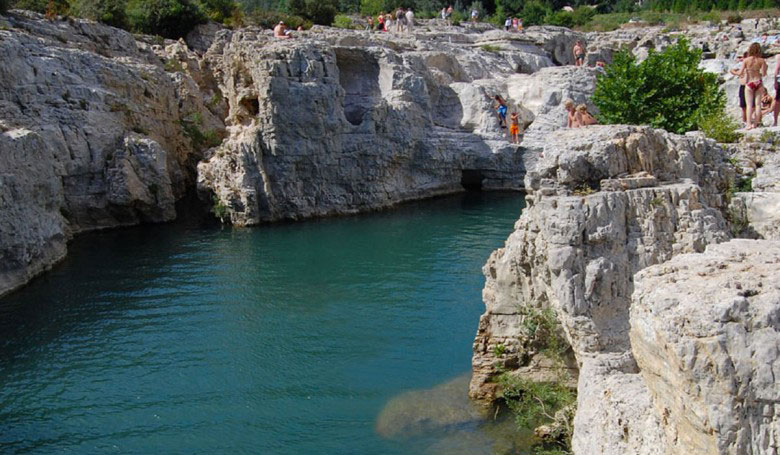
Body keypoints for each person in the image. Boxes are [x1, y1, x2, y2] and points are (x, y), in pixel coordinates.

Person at [739, 42, 768, 129]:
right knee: (758, 104)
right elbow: (764, 74)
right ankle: (755, 124)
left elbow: (740, 73)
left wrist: (735, 72)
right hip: (758, 82)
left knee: (749, 105)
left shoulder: (746, 60)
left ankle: (748, 124)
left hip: (750, 82)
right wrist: (766, 67)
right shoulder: (761, 60)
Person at [730, 52, 748, 125]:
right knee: (743, 105)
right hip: (743, 85)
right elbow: (732, 70)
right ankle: (744, 121)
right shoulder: (741, 64)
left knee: (752, 104)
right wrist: (738, 73)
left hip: (750, 84)